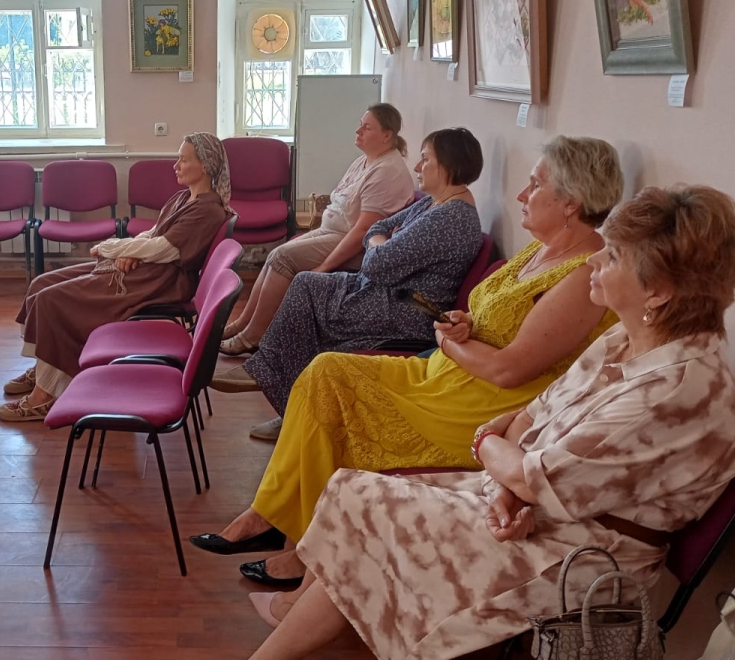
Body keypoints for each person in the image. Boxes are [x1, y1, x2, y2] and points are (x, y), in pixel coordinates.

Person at [245, 184, 735, 660]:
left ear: (657, 292)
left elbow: (535, 471)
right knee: (352, 493)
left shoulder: (674, 391)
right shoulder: (627, 339)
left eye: (615, 256)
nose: (596, 259)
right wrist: (509, 484)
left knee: (363, 500)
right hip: (541, 511)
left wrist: (490, 444)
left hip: (583, 557)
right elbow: (534, 416)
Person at [193, 136, 624, 586]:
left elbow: (509, 369)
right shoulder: (541, 248)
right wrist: (465, 322)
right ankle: (270, 515)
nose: (520, 194)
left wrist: (447, 341)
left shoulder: (582, 275)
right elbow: (498, 319)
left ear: (571, 202)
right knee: (324, 372)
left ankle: (302, 549)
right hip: (445, 375)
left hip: (478, 406)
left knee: (336, 396)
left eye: (534, 185)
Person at [212, 127, 487, 440]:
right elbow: (378, 228)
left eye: (425, 159)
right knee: (306, 283)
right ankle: (287, 397)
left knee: (310, 298)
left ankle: (276, 383)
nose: (417, 166)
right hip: (384, 292)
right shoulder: (433, 203)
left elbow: (376, 263)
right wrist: (383, 241)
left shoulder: (450, 219)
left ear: (448, 166)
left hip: (403, 312)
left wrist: (381, 245)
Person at [0, 132, 233, 422]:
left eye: (183, 160)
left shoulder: (207, 210)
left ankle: (44, 396)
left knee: (51, 301)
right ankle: (44, 368)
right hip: (148, 268)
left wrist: (113, 248)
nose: (176, 166)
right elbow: (154, 235)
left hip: (159, 282)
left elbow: (163, 249)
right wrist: (131, 251)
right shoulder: (184, 197)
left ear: (205, 166)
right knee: (41, 284)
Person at [218, 104, 415, 356]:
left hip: (353, 244)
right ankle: (242, 325)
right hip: (332, 232)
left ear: (387, 135)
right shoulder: (365, 161)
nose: (358, 131)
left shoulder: (387, 171)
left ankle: (253, 336)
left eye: (367, 127)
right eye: (360, 124)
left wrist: (324, 266)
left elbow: (362, 231)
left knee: (283, 258)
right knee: (276, 254)